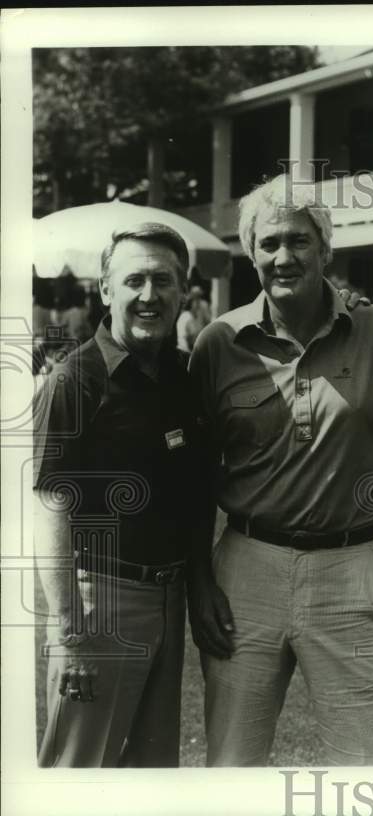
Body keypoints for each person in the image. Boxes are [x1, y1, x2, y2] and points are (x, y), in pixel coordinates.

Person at [187, 175, 373, 767]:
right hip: (244, 575)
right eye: (269, 243)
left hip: (350, 573)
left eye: (300, 241)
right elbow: (197, 470)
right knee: (232, 767)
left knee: (368, 773)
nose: (284, 256)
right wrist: (199, 581)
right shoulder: (219, 342)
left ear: (325, 249)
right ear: (250, 253)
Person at [33, 223, 214, 767]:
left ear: (183, 292)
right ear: (106, 290)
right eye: (133, 279)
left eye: (164, 280)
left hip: (169, 597)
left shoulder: (184, 377)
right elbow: (49, 509)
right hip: (100, 606)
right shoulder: (75, 379)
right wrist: (71, 633)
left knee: (152, 775)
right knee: (80, 773)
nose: (149, 294)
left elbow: (196, 493)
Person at [176, 284, 212, 351]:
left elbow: (207, 323)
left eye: (198, 297)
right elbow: (184, 337)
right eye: (195, 298)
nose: (197, 302)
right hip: (186, 348)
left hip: (197, 344)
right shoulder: (186, 317)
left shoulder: (202, 308)